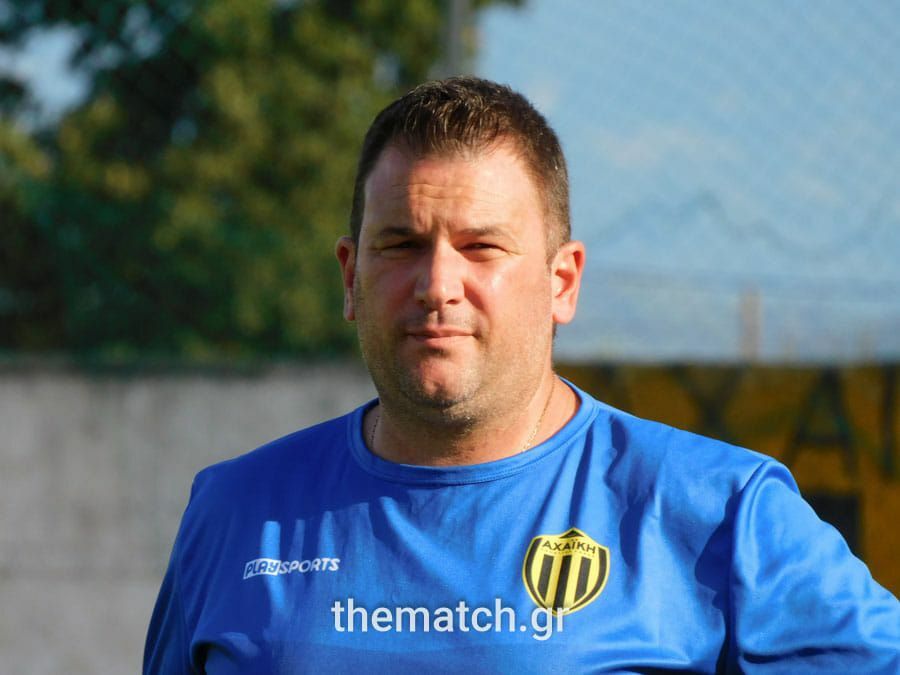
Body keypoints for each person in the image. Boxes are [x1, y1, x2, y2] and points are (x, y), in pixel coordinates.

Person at [144, 77, 900, 673]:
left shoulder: (721, 514)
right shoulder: (234, 511)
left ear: (562, 281)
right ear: (350, 276)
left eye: (481, 247)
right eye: (400, 244)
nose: (437, 284)